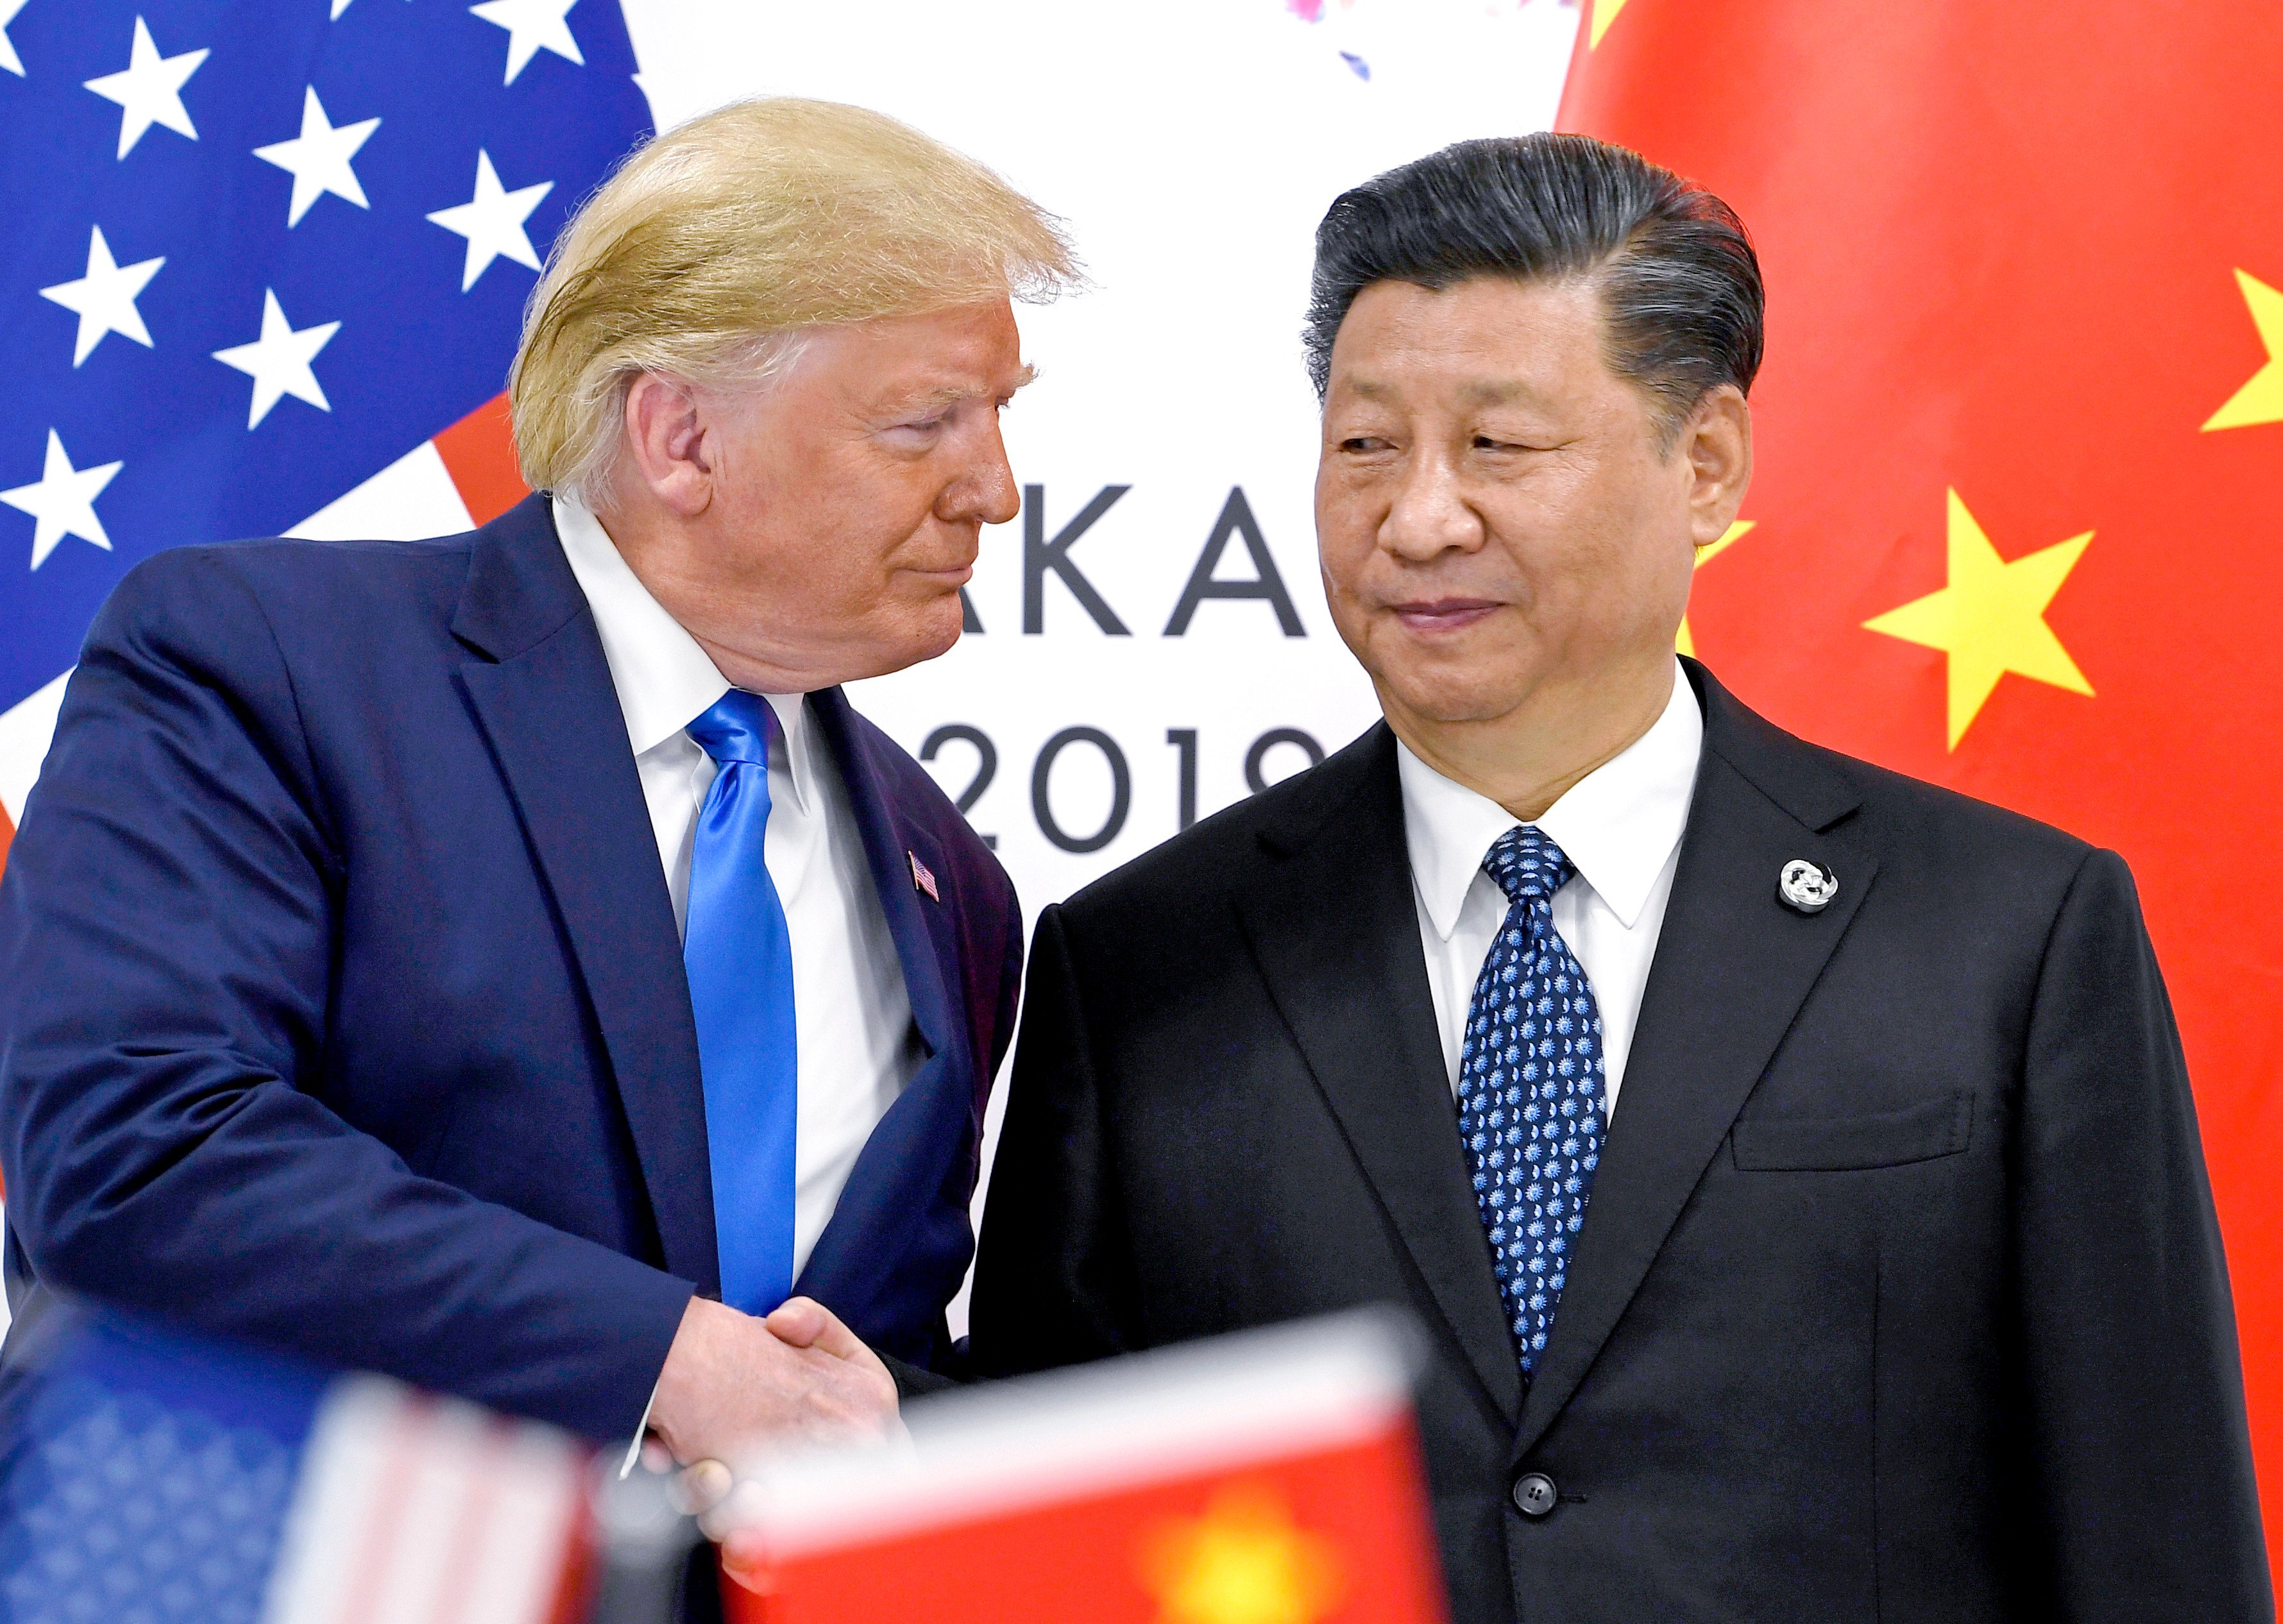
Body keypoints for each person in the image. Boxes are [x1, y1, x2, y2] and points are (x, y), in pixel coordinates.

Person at [971, 133, 2271, 1621]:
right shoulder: (1140, 963)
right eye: (1366, 445)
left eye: (1499, 447)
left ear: (1705, 465)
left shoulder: (2005, 938)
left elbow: (2150, 1540)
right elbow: (1048, 1536)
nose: (1418, 520)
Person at [0, 98, 1074, 1617]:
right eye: (925, 421)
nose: (992, 487)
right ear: (681, 436)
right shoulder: (265, 664)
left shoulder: (950, 882)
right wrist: (669, 1361)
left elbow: (845, 1375)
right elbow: (141, 1149)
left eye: (1000, 417)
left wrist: (895, 1432)